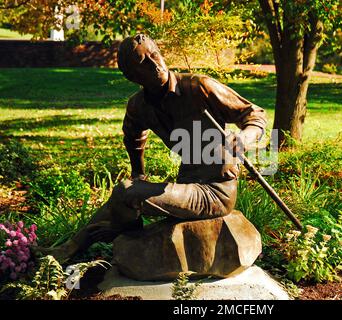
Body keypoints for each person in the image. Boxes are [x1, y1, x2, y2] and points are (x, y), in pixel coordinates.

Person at [35, 34, 267, 262]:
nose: (155, 64)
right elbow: (134, 137)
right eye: (144, 62)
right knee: (127, 192)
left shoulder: (199, 87)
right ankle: (80, 244)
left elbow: (253, 114)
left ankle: (91, 242)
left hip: (214, 191)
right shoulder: (139, 106)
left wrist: (243, 139)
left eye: (155, 55)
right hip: (188, 183)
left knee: (127, 193)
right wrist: (139, 173)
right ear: (132, 75)